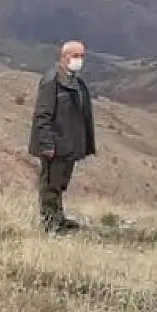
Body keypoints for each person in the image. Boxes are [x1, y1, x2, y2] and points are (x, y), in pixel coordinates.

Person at [27, 40, 96, 234]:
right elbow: (43, 114)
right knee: (50, 184)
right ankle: (50, 223)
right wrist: (47, 144)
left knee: (61, 183)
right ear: (64, 56)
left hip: (69, 145)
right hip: (55, 144)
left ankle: (59, 218)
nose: (79, 60)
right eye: (76, 56)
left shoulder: (76, 82)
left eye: (82, 56)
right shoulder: (52, 81)